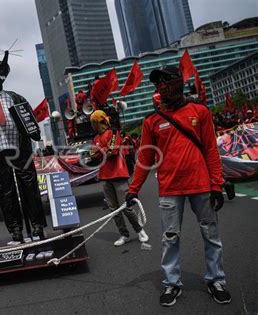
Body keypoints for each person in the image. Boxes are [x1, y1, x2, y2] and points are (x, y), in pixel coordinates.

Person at [126, 65, 231, 307]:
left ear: (179, 82)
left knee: (211, 236)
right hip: (170, 191)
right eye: (157, 83)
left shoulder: (200, 112)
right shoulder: (151, 121)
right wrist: (133, 189)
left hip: (202, 187)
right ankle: (171, 284)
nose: (162, 86)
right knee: (169, 239)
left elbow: (211, 151)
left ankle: (216, 280)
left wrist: (217, 185)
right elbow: (144, 159)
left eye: (166, 80)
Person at [0, 51, 47, 242]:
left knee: (29, 186)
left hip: (20, 149)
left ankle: (36, 225)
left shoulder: (16, 97)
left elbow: (30, 119)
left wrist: (34, 133)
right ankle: (15, 229)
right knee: (6, 191)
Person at [89, 110, 149, 247]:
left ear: (101, 121)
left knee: (126, 207)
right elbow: (92, 154)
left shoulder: (114, 132)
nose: (93, 125)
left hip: (118, 174)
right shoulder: (95, 138)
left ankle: (140, 230)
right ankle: (124, 234)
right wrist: (99, 151)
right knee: (113, 209)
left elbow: (112, 151)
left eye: (94, 122)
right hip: (104, 176)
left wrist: (99, 151)